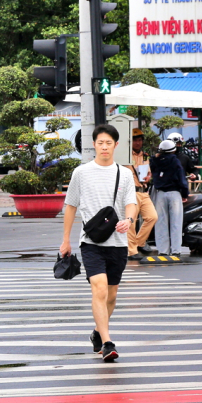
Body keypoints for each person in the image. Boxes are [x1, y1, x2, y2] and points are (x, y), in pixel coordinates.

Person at [60, 124, 138, 363]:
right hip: (91, 242)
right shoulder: (81, 173)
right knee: (100, 289)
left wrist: (128, 220)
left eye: (109, 143)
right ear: (94, 144)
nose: (104, 147)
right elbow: (71, 206)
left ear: (116, 145)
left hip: (118, 243)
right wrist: (66, 240)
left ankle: (97, 331)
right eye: (100, 143)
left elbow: (131, 203)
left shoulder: (124, 173)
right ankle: (107, 342)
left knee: (111, 296)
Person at [151, 138, 190, 257]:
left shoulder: (154, 161)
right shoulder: (175, 161)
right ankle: (176, 250)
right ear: (173, 150)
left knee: (160, 223)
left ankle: (163, 250)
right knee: (176, 223)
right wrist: (185, 194)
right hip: (174, 193)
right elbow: (181, 179)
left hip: (160, 193)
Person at [127, 128, 158, 260]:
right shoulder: (126, 156)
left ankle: (139, 243)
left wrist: (148, 177)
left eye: (140, 140)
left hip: (143, 192)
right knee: (131, 222)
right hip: (131, 192)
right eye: (135, 140)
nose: (138, 143)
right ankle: (131, 251)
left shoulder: (145, 156)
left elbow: (148, 172)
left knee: (152, 217)